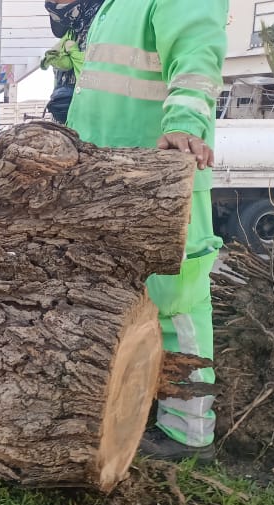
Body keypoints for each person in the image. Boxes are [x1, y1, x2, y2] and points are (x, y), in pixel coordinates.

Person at [66, 0, 227, 462]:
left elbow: (198, 57)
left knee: (177, 300)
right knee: (116, 298)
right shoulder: (115, 6)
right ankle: (131, 409)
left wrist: (184, 124)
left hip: (163, 174)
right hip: (110, 176)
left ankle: (188, 433)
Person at [41, 0, 104, 123]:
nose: (52, 3)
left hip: (98, 130)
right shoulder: (71, 33)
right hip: (70, 132)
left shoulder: (105, 26)